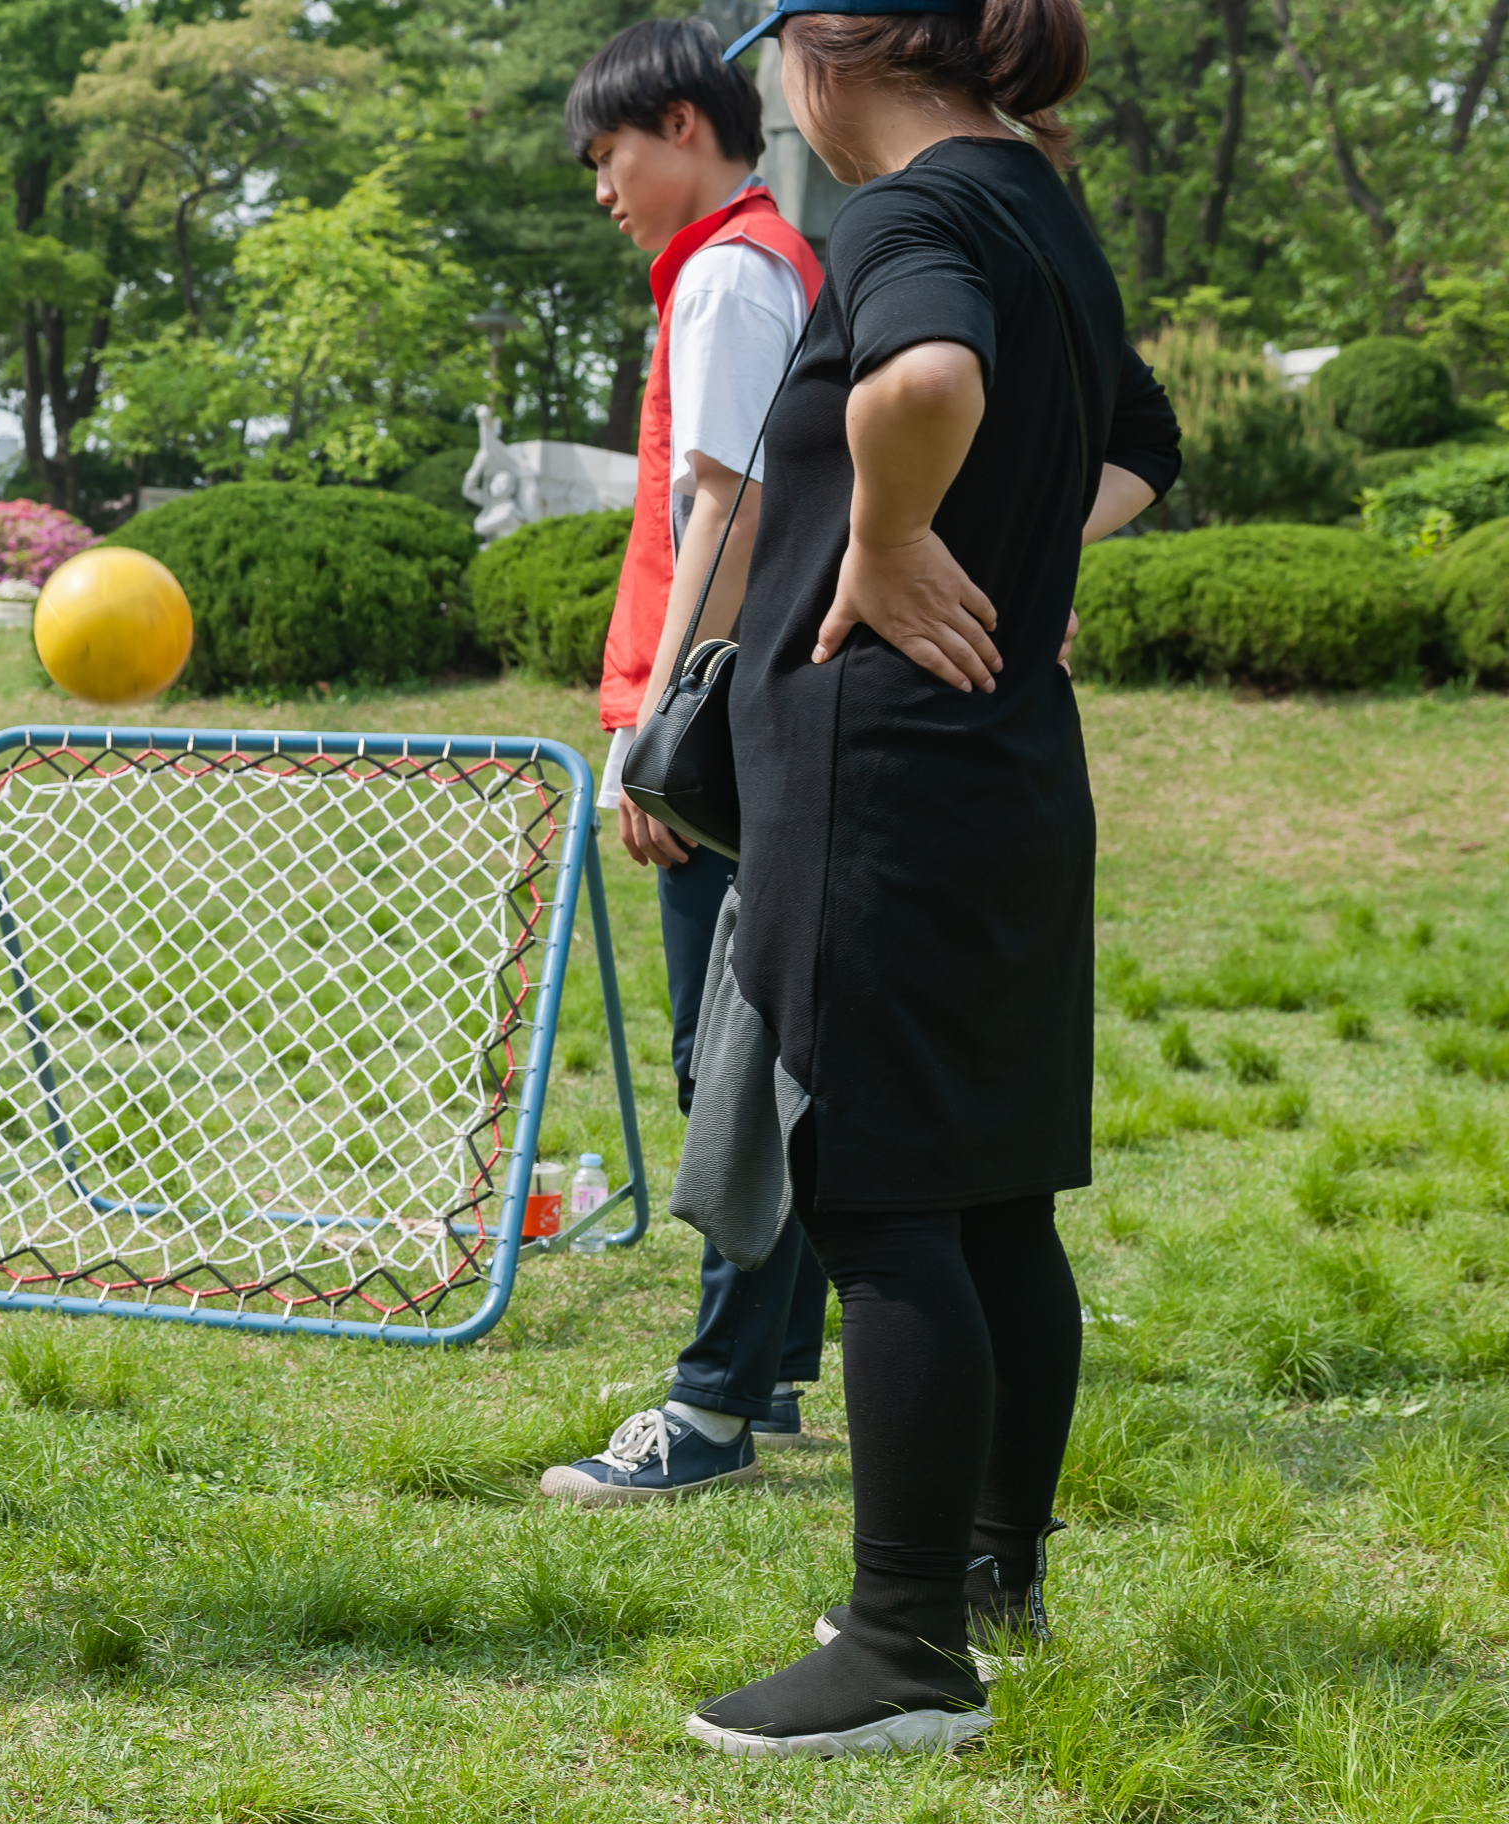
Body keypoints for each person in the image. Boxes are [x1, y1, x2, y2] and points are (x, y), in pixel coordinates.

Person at [676, 0, 1179, 1758]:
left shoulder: (898, 212)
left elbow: (927, 382)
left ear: (826, 52)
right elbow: (1145, 438)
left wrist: (898, 537)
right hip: (1010, 762)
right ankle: (987, 1576)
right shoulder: (1043, 204)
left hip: (884, 769)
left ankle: (900, 1650)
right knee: (993, 1195)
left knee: (885, 1197)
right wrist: (1018, 551)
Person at [533, 18, 833, 1508]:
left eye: (608, 155)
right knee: (770, 1057)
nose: (603, 189)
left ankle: (709, 1405)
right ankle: (773, 1373)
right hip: (766, 723)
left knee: (729, 1073)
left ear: (682, 123)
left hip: (724, 733)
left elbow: (732, 506)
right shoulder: (767, 258)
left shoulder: (727, 271)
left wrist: (661, 743)